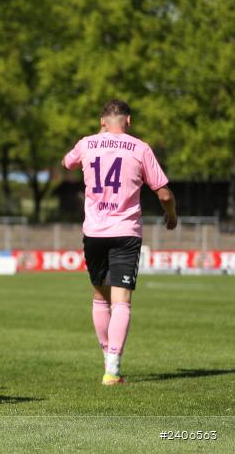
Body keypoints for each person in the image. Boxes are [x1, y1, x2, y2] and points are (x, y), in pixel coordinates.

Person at [62, 99, 177, 385]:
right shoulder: (140, 148)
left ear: (102, 121)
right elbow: (163, 194)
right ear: (129, 121)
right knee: (122, 299)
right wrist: (171, 215)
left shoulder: (87, 143)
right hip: (125, 231)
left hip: (95, 232)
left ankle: (107, 360)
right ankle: (112, 369)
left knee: (100, 297)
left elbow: (67, 163)